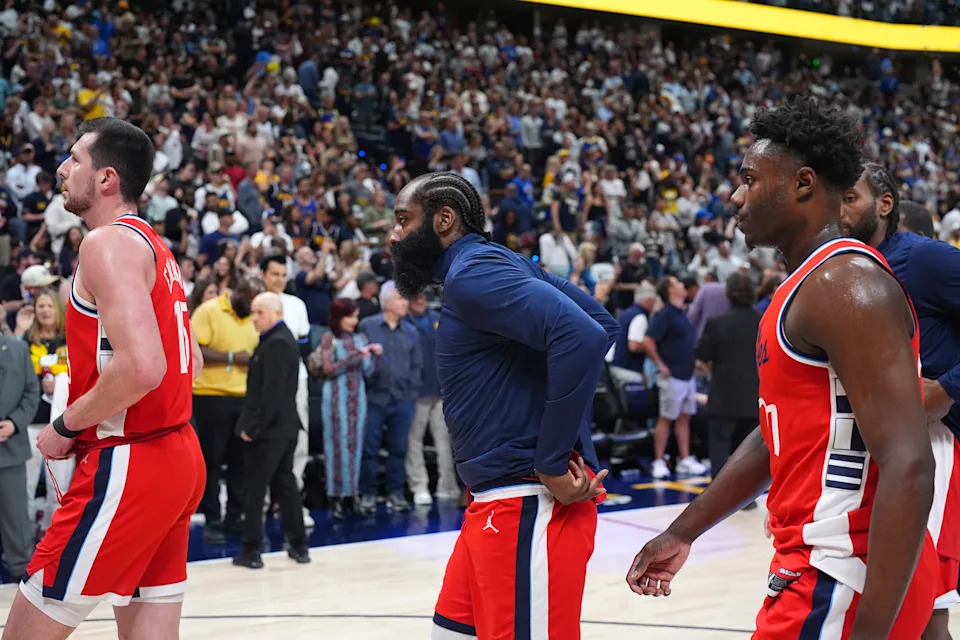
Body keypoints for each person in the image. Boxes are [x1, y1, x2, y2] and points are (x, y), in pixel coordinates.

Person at [626, 98, 938, 640]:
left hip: (841, 571)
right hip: (828, 566)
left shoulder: (846, 286)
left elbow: (910, 465)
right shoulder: (808, 286)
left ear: (802, 184)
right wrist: (683, 531)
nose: (735, 195)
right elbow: (778, 436)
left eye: (749, 179)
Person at [388, 172, 618, 638]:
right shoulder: (493, 265)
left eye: (402, 220)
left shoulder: (474, 272)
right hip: (491, 505)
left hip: (526, 503)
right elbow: (600, 321)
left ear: (444, 219)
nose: (393, 234)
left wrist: (553, 459)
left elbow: (588, 334)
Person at [5, 117, 206, 639]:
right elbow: (192, 364)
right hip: (178, 457)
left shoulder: (106, 245)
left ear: (106, 179)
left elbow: (143, 366)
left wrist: (66, 426)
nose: (62, 167)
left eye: (74, 159)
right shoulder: (156, 248)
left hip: (131, 463)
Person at [840, 162, 960, 640]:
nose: (840, 210)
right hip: (865, 444)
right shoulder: (839, 270)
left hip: (929, 440)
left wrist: (948, 386)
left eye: (851, 198)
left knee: (923, 604)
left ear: (885, 205)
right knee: (878, 596)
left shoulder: (924, 260)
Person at [233, 292, 310, 569]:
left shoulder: (277, 343)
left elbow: (272, 395)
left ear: (276, 313)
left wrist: (252, 428)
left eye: (260, 313)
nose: (254, 318)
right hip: (283, 428)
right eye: (253, 313)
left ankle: (251, 551)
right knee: (285, 486)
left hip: (270, 431)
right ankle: (299, 546)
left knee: (255, 489)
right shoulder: (279, 339)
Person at [190, 276, 261, 544]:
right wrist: (233, 358)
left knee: (239, 462)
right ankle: (212, 520)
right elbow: (195, 348)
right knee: (211, 462)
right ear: (238, 292)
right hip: (210, 396)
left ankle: (234, 517)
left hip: (243, 397)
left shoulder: (252, 316)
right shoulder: (208, 311)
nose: (253, 309)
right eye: (250, 301)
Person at [307, 298, 378, 519]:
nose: (354, 321)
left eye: (356, 316)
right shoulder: (330, 338)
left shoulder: (360, 338)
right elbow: (328, 368)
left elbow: (367, 371)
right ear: (339, 317)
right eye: (350, 316)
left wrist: (371, 357)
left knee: (355, 446)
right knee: (335, 447)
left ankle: (352, 495)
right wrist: (358, 355)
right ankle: (335, 496)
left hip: (358, 398)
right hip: (336, 398)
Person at [357, 281, 422, 515]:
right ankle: (367, 495)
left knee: (399, 449)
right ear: (386, 302)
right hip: (374, 398)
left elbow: (417, 366)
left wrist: (411, 394)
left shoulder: (411, 330)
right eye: (400, 299)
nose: (405, 303)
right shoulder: (367, 326)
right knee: (369, 449)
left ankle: (396, 493)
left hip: (403, 399)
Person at [259, 254, 313, 528]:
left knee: (298, 442)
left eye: (283, 275)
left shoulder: (297, 305)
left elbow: (305, 344)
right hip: (263, 383)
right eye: (274, 274)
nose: (279, 279)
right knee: (263, 441)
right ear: (263, 275)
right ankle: (262, 502)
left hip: (297, 381)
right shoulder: (256, 304)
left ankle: (293, 504)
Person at [695, 271, 761, 482]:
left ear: (729, 294)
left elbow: (702, 354)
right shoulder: (763, 321)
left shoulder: (718, 323)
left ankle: (718, 504)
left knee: (720, 451)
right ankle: (747, 500)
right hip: (754, 397)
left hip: (724, 397)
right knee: (750, 454)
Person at [643, 276, 708, 479]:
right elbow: (648, 340)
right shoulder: (665, 314)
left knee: (684, 417)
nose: (682, 285)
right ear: (671, 290)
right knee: (666, 417)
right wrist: (660, 364)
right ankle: (659, 460)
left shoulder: (681, 313)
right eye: (678, 283)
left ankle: (684, 459)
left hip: (686, 375)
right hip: (672, 376)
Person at [404, 292, 460, 506]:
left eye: (422, 296)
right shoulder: (403, 322)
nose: (419, 300)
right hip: (415, 392)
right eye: (414, 296)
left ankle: (447, 486)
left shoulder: (438, 317)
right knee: (414, 442)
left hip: (441, 391)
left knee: (445, 442)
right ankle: (419, 486)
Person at [0, 334, 40, 581]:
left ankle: (21, 576)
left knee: (16, 518)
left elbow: (31, 392)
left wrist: (14, 424)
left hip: (10, 447)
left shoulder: (18, 348)